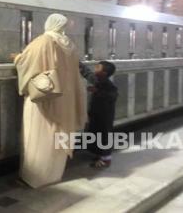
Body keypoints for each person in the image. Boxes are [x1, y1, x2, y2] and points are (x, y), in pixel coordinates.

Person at [13, 13, 87, 188]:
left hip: (45, 98)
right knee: (59, 134)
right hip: (65, 99)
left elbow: (26, 62)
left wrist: (16, 58)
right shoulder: (69, 44)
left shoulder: (44, 41)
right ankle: (53, 175)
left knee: (38, 135)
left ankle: (35, 178)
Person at [81, 61, 118, 168]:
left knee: (104, 136)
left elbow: (112, 96)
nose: (94, 69)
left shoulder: (109, 85)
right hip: (95, 114)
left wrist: (96, 91)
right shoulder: (98, 80)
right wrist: (78, 64)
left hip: (105, 117)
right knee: (95, 134)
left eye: (98, 67)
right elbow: (87, 73)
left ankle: (106, 159)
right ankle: (99, 155)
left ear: (104, 73)